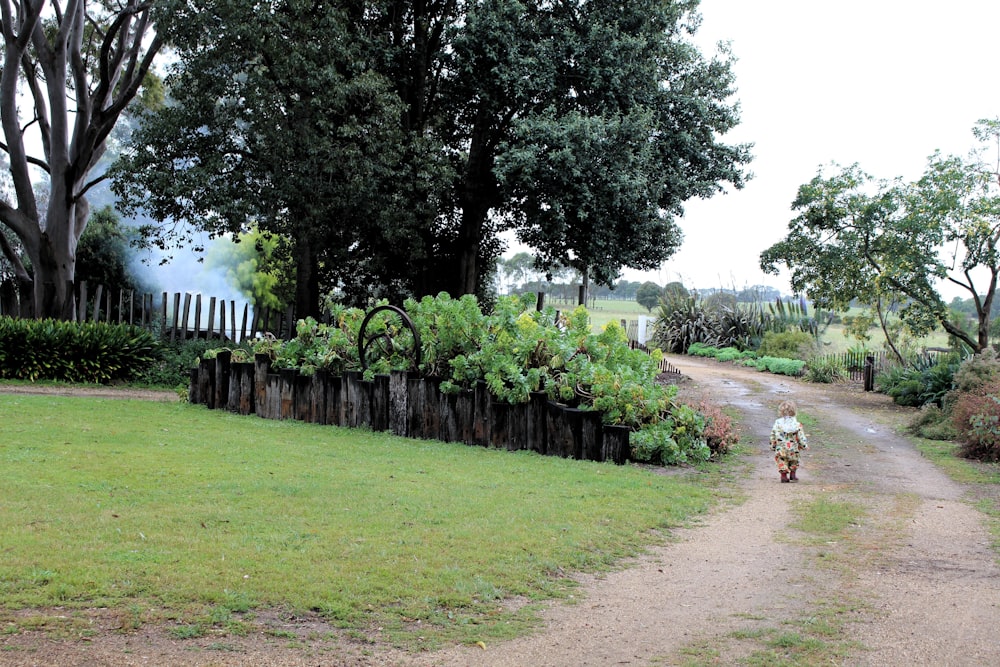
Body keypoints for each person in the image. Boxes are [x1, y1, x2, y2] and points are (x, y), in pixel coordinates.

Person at [769, 400, 808, 483]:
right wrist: (804, 445)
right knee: (794, 460)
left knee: (781, 461)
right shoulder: (797, 424)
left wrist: (773, 445)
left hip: (781, 448)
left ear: (781, 411)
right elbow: (800, 436)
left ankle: (783, 476)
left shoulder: (777, 423)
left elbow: (773, 434)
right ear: (794, 411)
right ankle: (793, 475)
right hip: (793, 448)